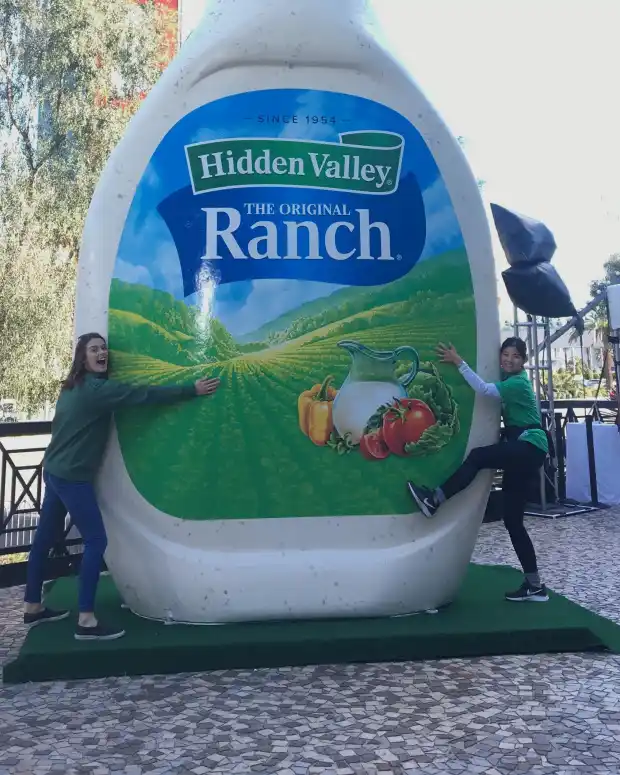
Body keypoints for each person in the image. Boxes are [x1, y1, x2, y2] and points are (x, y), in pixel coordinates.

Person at [24, 332, 221, 640]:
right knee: (95, 542)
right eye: (94, 349)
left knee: (44, 540)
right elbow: (142, 395)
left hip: (54, 471)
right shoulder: (96, 390)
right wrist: (190, 390)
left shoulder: (71, 387)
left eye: (104, 348)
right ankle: (86, 621)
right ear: (83, 357)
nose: (102, 352)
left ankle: (32, 607)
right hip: (72, 477)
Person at [407, 337, 549, 603]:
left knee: (478, 456)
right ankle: (535, 586)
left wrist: (458, 361)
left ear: (524, 361)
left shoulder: (517, 383)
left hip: (530, 446)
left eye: (515, 356)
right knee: (513, 521)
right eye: (505, 354)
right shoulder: (510, 382)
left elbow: (484, 389)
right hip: (526, 450)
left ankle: (435, 499)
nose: (509, 359)